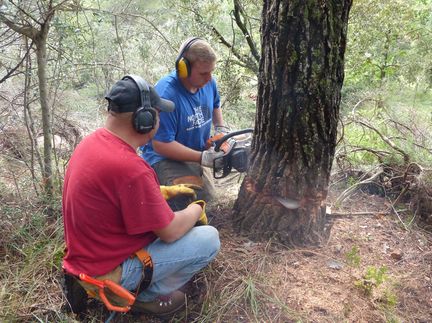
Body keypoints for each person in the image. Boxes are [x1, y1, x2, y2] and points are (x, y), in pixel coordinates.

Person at [62, 75, 220, 317]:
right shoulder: (131, 168)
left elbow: (115, 195)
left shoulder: (92, 143)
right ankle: (145, 296)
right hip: (109, 273)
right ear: (144, 119)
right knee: (209, 238)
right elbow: (170, 232)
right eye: (158, 113)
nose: (159, 119)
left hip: (89, 260)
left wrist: (158, 193)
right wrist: (196, 208)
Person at [141, 37, 230, 208]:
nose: (209, 78)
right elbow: (161, 145)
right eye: (203, 73)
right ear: (184, 69)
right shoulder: (167, 94)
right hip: (166, 159)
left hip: (196, 154)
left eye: (211, 71)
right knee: (194, 202)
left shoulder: (208, 83)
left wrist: (220, 129)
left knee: (213, 202)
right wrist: (203, 157)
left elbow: (216, 105)